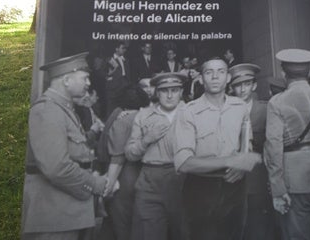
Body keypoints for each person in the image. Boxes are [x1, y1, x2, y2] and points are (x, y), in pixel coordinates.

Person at [21, 52, 111, 240]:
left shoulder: (63, 109)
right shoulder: (48, 110)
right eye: (85, 78)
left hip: (66, 213)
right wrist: (93, 183)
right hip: (54, 215)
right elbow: (56, 167)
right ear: (67, 80)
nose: (89, 84)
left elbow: (77, 153)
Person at [173, 57, 261, 240]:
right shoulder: (188, 111)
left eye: (221, 72)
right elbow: (183, 163)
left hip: (235, 187)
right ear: (201, 79)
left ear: (228, 78)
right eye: (208, 72)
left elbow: (246, 145)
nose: (215, 77)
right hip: (201, 189)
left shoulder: (240, 107)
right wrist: (230, 161)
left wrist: (242, 167)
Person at [265, 49, 310, 240]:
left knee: (296, 234)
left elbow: (273, 147)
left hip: (296, 179)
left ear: (283, 74)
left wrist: (278, 190)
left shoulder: (277, 102)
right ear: (308, 73)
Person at [125, 73, 188, 240]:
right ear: (156, 93)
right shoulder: (143, 115)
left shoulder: (192, 113)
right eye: (164, 90)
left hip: (184, 180)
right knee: (148, 233)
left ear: (181, 92)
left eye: (174, 90)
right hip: (150, 182)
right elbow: (130, 154)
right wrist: (146, 140)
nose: (169, 95)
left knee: (186, 232)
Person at [97, 78, 153, 240]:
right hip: (141, 176)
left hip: (123, 178)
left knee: (122, 223)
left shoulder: (120, 119)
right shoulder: (146, 118)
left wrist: (107, 188)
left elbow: (117, 159)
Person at [228, 63, 278, 240]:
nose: (242, 89)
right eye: (237, 85)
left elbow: (274, 144)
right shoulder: (225, 111)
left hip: (258, 175)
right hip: (232, 176)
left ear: (254, 86)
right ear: (232, 88)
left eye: (247, 84)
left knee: (258, 223)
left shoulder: (265, 110)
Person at [105, 42, 132, 118]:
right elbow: (105, 73)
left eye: (125, 48)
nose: (124, 50)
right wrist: (108, 77)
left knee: (123, 106)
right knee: (112, 108)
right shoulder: (109, 60)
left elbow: (128, 74)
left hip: (124, 85)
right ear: (116, 49)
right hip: (114, 86)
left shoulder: (126, 60)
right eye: (122, 48)